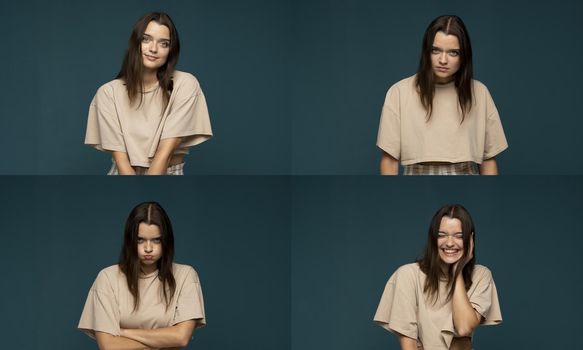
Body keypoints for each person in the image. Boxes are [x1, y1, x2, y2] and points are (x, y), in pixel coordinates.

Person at [377, 15, 507, 175]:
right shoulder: (399, 92)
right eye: (436, 50)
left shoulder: (480, 93)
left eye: (453, 52)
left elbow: (488, 158)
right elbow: (389, 160)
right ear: (426, 51)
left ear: (464, 56)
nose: (443, 60)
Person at [85, 12, 212, 175]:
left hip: (168, 172)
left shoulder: (185, 84)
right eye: (146, 39)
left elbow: (163, 155)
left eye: (164, 43)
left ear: (171, 50)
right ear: (135, 42)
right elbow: (121, 162)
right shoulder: (108, 93)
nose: (153, 49)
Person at [78, 202, 205, 349]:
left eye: (156, 240)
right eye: (140, 240)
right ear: (129, 241)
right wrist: (164, 340)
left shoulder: (186, 276)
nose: (148, 249)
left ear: (167, 241)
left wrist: (124, 332)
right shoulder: (107, 278)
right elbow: (109, 346)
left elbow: (181, 338)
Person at [373, 204, 502, 350]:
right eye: (442, 235)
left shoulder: (481, 275)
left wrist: (457, 272)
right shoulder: (408, 275)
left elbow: (464, 328)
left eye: (458, 236)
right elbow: (408, 344)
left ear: (470, 240)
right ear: (433, 238)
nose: (449, 243)